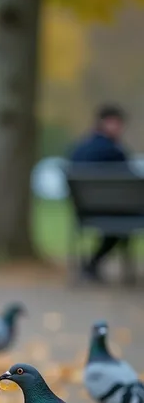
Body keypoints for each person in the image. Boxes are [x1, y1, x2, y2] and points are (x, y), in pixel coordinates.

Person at [69, 104, 131, 280]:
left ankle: (91, 265)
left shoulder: (78, 148)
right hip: (114, 210)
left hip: (84, 210)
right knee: (121, 226)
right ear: (106, 123)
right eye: (117, 123)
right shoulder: (115, 151)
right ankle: (93, 264)